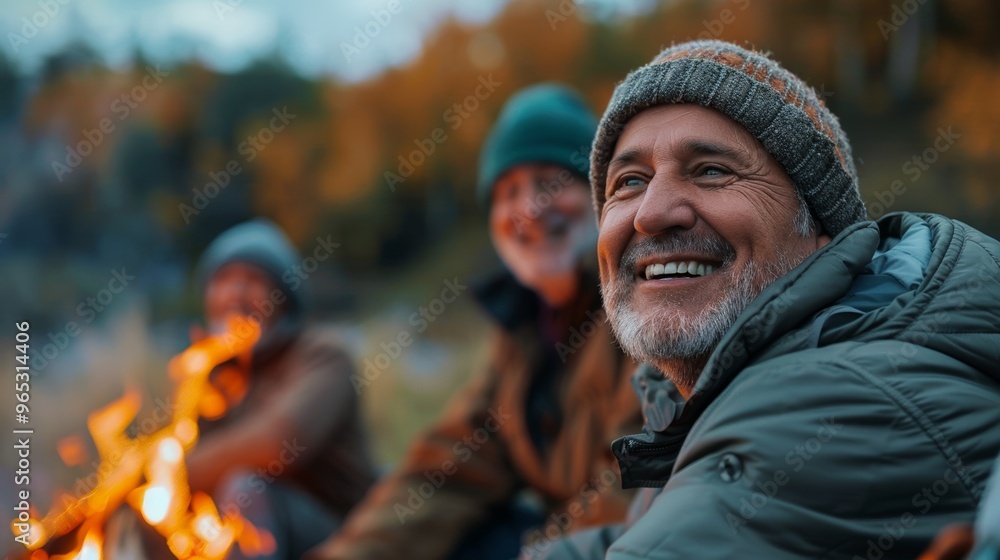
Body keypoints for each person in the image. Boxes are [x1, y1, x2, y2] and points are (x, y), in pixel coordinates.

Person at [544, 40, 1000, 559]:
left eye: (711, 170)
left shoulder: (833, 398)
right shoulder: (706, 397)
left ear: (822, 234)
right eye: (629, 181)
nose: (652, 213)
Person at [307, 84, 641, 560]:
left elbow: (635, 492)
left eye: (551, 181)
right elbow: (447, 473)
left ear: (601, 193)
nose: (529, 208)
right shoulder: (521, 335)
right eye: (508, 191)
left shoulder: (642, 310)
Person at [187, 219, 376, 559]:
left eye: (253, 280)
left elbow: (277, 445)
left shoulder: (323, 355)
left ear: (284, 298)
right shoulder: (210, 380)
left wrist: (166, 475)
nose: (235, 294)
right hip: (242, 536)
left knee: (244, 489)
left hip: (345, 535)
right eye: (223, 280)